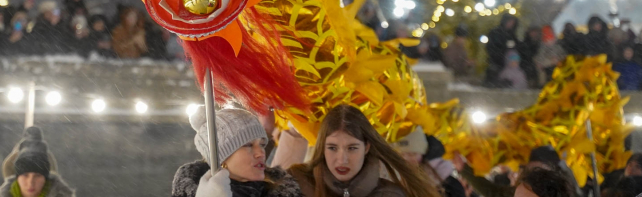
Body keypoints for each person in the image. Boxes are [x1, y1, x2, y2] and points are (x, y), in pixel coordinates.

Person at [288, 104, 439, 197]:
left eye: (352, 148)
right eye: (332, 148)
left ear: (366, 147)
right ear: (322, 147)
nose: (342, 159)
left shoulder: (389, 194)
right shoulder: (297, 184)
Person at [172, 108, 302, 197]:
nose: (261, 153)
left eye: (262, 144)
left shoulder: (283, 188)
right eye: (248, 145)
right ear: (221, 159)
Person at [0, 128, 74, 197]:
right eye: (25, 176)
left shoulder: (45, 155)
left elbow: (51, 172)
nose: (30, 183)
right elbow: (8, 167)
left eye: (37, 176)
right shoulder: (20, 152)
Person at [392, 127, 464, 197]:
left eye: (412, 154)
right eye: (401, 155)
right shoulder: (395, 177)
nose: (405, 158)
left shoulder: (448, 184)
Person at [484, 14, 519, 86]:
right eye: (510, 22)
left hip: (507, 63)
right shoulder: (495, 32)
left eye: (512, 23)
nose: (511, 24)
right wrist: (498, 54)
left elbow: (513, 47)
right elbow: (490, 47)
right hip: (496, 61)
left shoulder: (511, 35)